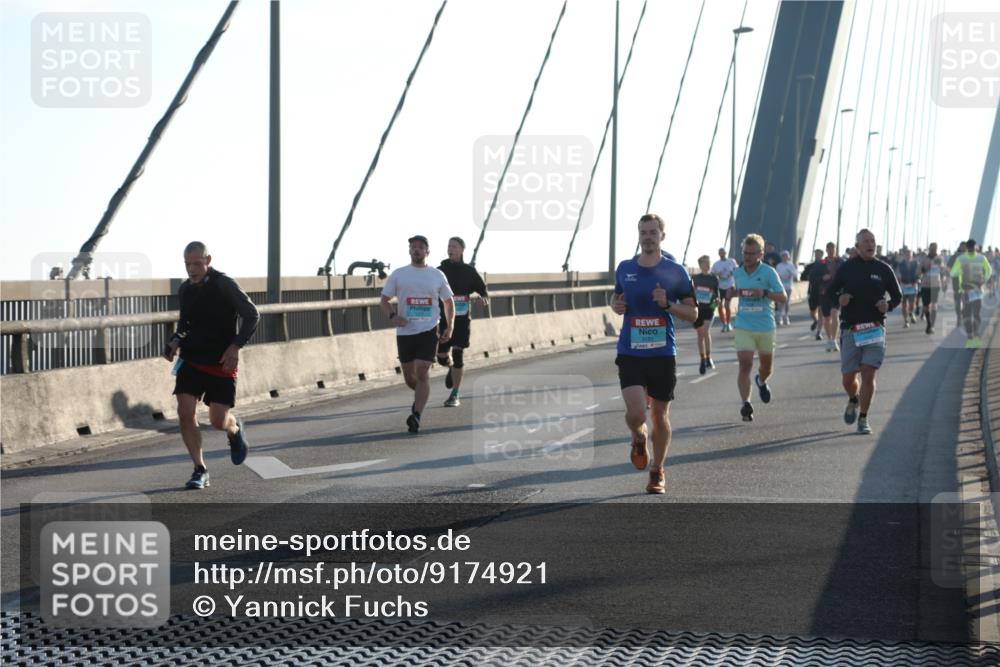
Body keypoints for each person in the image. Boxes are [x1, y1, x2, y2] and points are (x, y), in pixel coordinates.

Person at [611, 214, 697, 494]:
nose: (647, 237)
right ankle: (638, 435)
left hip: (662, 353)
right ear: (638, 236)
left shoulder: (676, 272)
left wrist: (668, 305)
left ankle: (657, 470)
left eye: (652, 232)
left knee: (659, 414)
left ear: (662, 236)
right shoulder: (624, 269)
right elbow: (618, 299)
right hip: (630, 351)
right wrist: (616, 306)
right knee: (637, 413)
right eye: (643, 232)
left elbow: (693, 313)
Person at [163, 242, 259, 490]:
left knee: (218, 420)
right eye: (187, 264)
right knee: (185, 412)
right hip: (192, 359)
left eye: (196, 263)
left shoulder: (223, 285)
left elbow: (252, 315)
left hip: (221, 362)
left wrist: (236, 346)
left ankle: (234, 430)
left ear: (208, 260)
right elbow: (185, 324)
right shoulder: (185, 290)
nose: (191, 269)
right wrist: (175, 341)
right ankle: (200, 469)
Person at [829, 229, 901, 435]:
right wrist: (839, 300)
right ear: (857, 247)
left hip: (874, 328)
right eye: (866, 242)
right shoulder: (847, 268)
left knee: (868, 373)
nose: (870, 244)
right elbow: (831, 292)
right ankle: (853, 398)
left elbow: (897, 296)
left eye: (873, 241)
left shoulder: (884, 269)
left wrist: (887, 305)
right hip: (851, 329)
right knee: (848, 378)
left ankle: (863, 418)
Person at [380, 235, 455, 433]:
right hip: (405, 331)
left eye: (421, 247)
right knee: (409, 377)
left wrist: (450, 326)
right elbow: (384, 300)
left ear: (427, 252)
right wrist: (392, 316)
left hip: (428, 329)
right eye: (413, 247)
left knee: (422, 371)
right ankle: (421, 397)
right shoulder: (399, 274)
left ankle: (417, 415)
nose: (417, 250)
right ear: (409, 250)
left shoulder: (436, 275)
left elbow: (448, 302)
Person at [727, 234, 787, 422]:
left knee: (766, 367)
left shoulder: (769, 272)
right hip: (743, 324)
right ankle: (746, 403)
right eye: (745, 253)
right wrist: (731, 293)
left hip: (765, 326)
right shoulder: (737, 272)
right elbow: (734, 290)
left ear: (760, 254)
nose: (747, 257)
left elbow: (783, 296)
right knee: (745, 363)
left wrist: (765, 293)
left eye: (752, 253)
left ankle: (761, 381)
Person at [436, 236, 489, 407]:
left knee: (458, 354)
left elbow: (483, 292)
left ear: (462, 250)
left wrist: (484, 299)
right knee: (441, 357)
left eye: (454, 246)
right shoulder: (439, 271)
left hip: (461, 320)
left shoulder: (469, 271)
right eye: (449, 246)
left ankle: (455, 394)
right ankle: (450, 367)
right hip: (442, 320)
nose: (451, 249)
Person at [950, 238, 993, 348]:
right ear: (976, 247)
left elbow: (953, 273)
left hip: (966, 290)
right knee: (977, 314)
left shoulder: (961, 258)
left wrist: (960, 272)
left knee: (967, 315)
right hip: (978, 290)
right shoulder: (981, 258)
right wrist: (984, 280)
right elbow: (989, 271)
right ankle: (977, 335)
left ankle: (970, 339)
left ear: (967, 248)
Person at [691, 255, 720, 374]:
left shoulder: (714, 278)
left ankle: (708, 357)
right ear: (700, 265)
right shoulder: (694, 278)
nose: (707, 265)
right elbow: (689, 293)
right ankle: (703, 359)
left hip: (709, 308)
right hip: (697, 310)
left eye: (709, 263)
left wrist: (715, 303)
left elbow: (717, 295)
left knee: (705, 331)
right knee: (700, 335)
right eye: (704, 263)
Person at [818, 242, 842, 351]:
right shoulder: (821, 263)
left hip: (836, 292)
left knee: (834, 314)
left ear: (836, 250)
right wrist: (823, 278)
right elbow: (813, 277)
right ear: (826, 250)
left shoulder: (841, 262)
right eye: (829, 249)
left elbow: (846, 275)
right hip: (824, 292)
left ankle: (834, 340)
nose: (831, 250)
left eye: (833, 249)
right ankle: (829, 339)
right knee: (826, 318)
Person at [917, 242, 944, 334]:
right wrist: (925, 269)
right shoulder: (924, 259)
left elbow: (943, 270)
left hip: (936, 285)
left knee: (934, 305)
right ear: (929, 249)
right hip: (925, 285)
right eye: (931, 249)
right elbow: (918, 272)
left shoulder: (940, 258)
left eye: (935, 249)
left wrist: (941, 268)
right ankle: (928, 323)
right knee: (925, 306)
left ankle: (931, 325)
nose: (933, 250)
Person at [711, 248, 738, 332]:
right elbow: (712, 274)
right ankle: (724, 324)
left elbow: (736, 270)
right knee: (719, 306)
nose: (722, 254)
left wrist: (731, 273)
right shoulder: (716, 264)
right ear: (719, 254)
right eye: (720, 253)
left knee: (727, 305)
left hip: (729, 286)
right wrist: (717, 275)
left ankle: (729, 323)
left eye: (723, 253)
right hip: (720, 287)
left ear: (726, 253)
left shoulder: (731, 261)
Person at [802, 249, 825, 335]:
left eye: (819, 254)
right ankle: (815, 321)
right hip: (812, 291)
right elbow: (802, 277)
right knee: (812, 312)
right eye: (816, 254)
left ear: (822, 254)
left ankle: (819, 332)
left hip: (822, 291)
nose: (817, 255)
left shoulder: (825, 265)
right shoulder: (810, 266)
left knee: (821, 311)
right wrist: (809, 276)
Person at [896, 248, 919, 327]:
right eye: (906, 254)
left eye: (909, 254)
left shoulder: (916, 263)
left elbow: (919, 274)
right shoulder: (901, 264)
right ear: (904, 255)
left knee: (912, 303)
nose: (908, 256)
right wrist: (899, 280)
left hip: (913, 285)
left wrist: (916, 281)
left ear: (912, 255)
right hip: (903, 286)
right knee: (904, 304)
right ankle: (906, 321)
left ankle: (911, 313)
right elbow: (898, 274)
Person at [947, 241, 967, 327]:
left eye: (964, 247)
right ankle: (959, 317)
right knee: (958, 302)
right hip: (956, 282)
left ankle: (963, 314)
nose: (963, 248)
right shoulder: (954, 256)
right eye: (962, 246)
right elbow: (948, 267)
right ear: (959, 247)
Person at [775, 250, 797, 326]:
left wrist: (790, 273)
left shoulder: (791, 265)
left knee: (786, 302)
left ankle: (786, 316)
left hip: (789, 286)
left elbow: (795, 275)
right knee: (780, 301)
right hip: (780, 286)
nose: (785, 257)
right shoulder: (779, 266)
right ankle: (780, 317)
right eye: (783, 256)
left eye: (786, 256)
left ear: (788, 257)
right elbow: (776, 275)